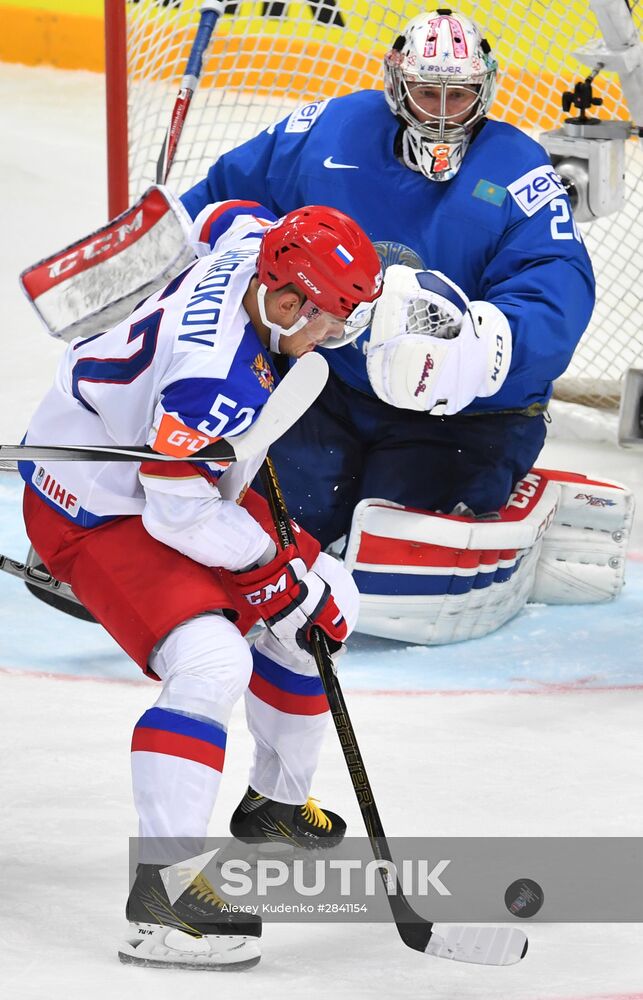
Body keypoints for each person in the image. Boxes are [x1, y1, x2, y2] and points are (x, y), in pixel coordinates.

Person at [18, 200, 383, 970]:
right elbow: (175, 514)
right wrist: (272, 579)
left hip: (166, 471)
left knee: (333, 598)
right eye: (324, 319)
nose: (329, 336)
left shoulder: (256, 248)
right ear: (283, 301)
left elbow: (223, 210)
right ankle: (162, 900)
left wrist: (291, 587)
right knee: (215, 660)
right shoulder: (211, 381)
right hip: (94, 505)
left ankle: (274, 803)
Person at [180, 8, 596, 559]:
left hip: (462, 415)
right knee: (268, 526)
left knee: (391, 550)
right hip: (332, 384)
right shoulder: (330, 131)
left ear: (485, 89)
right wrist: (177, 250)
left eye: (461, 95)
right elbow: (226, 193)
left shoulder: (519, 169)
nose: (445, 115)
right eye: (429, 93)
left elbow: (557, 283)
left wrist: (489, 346)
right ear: (398, 85)